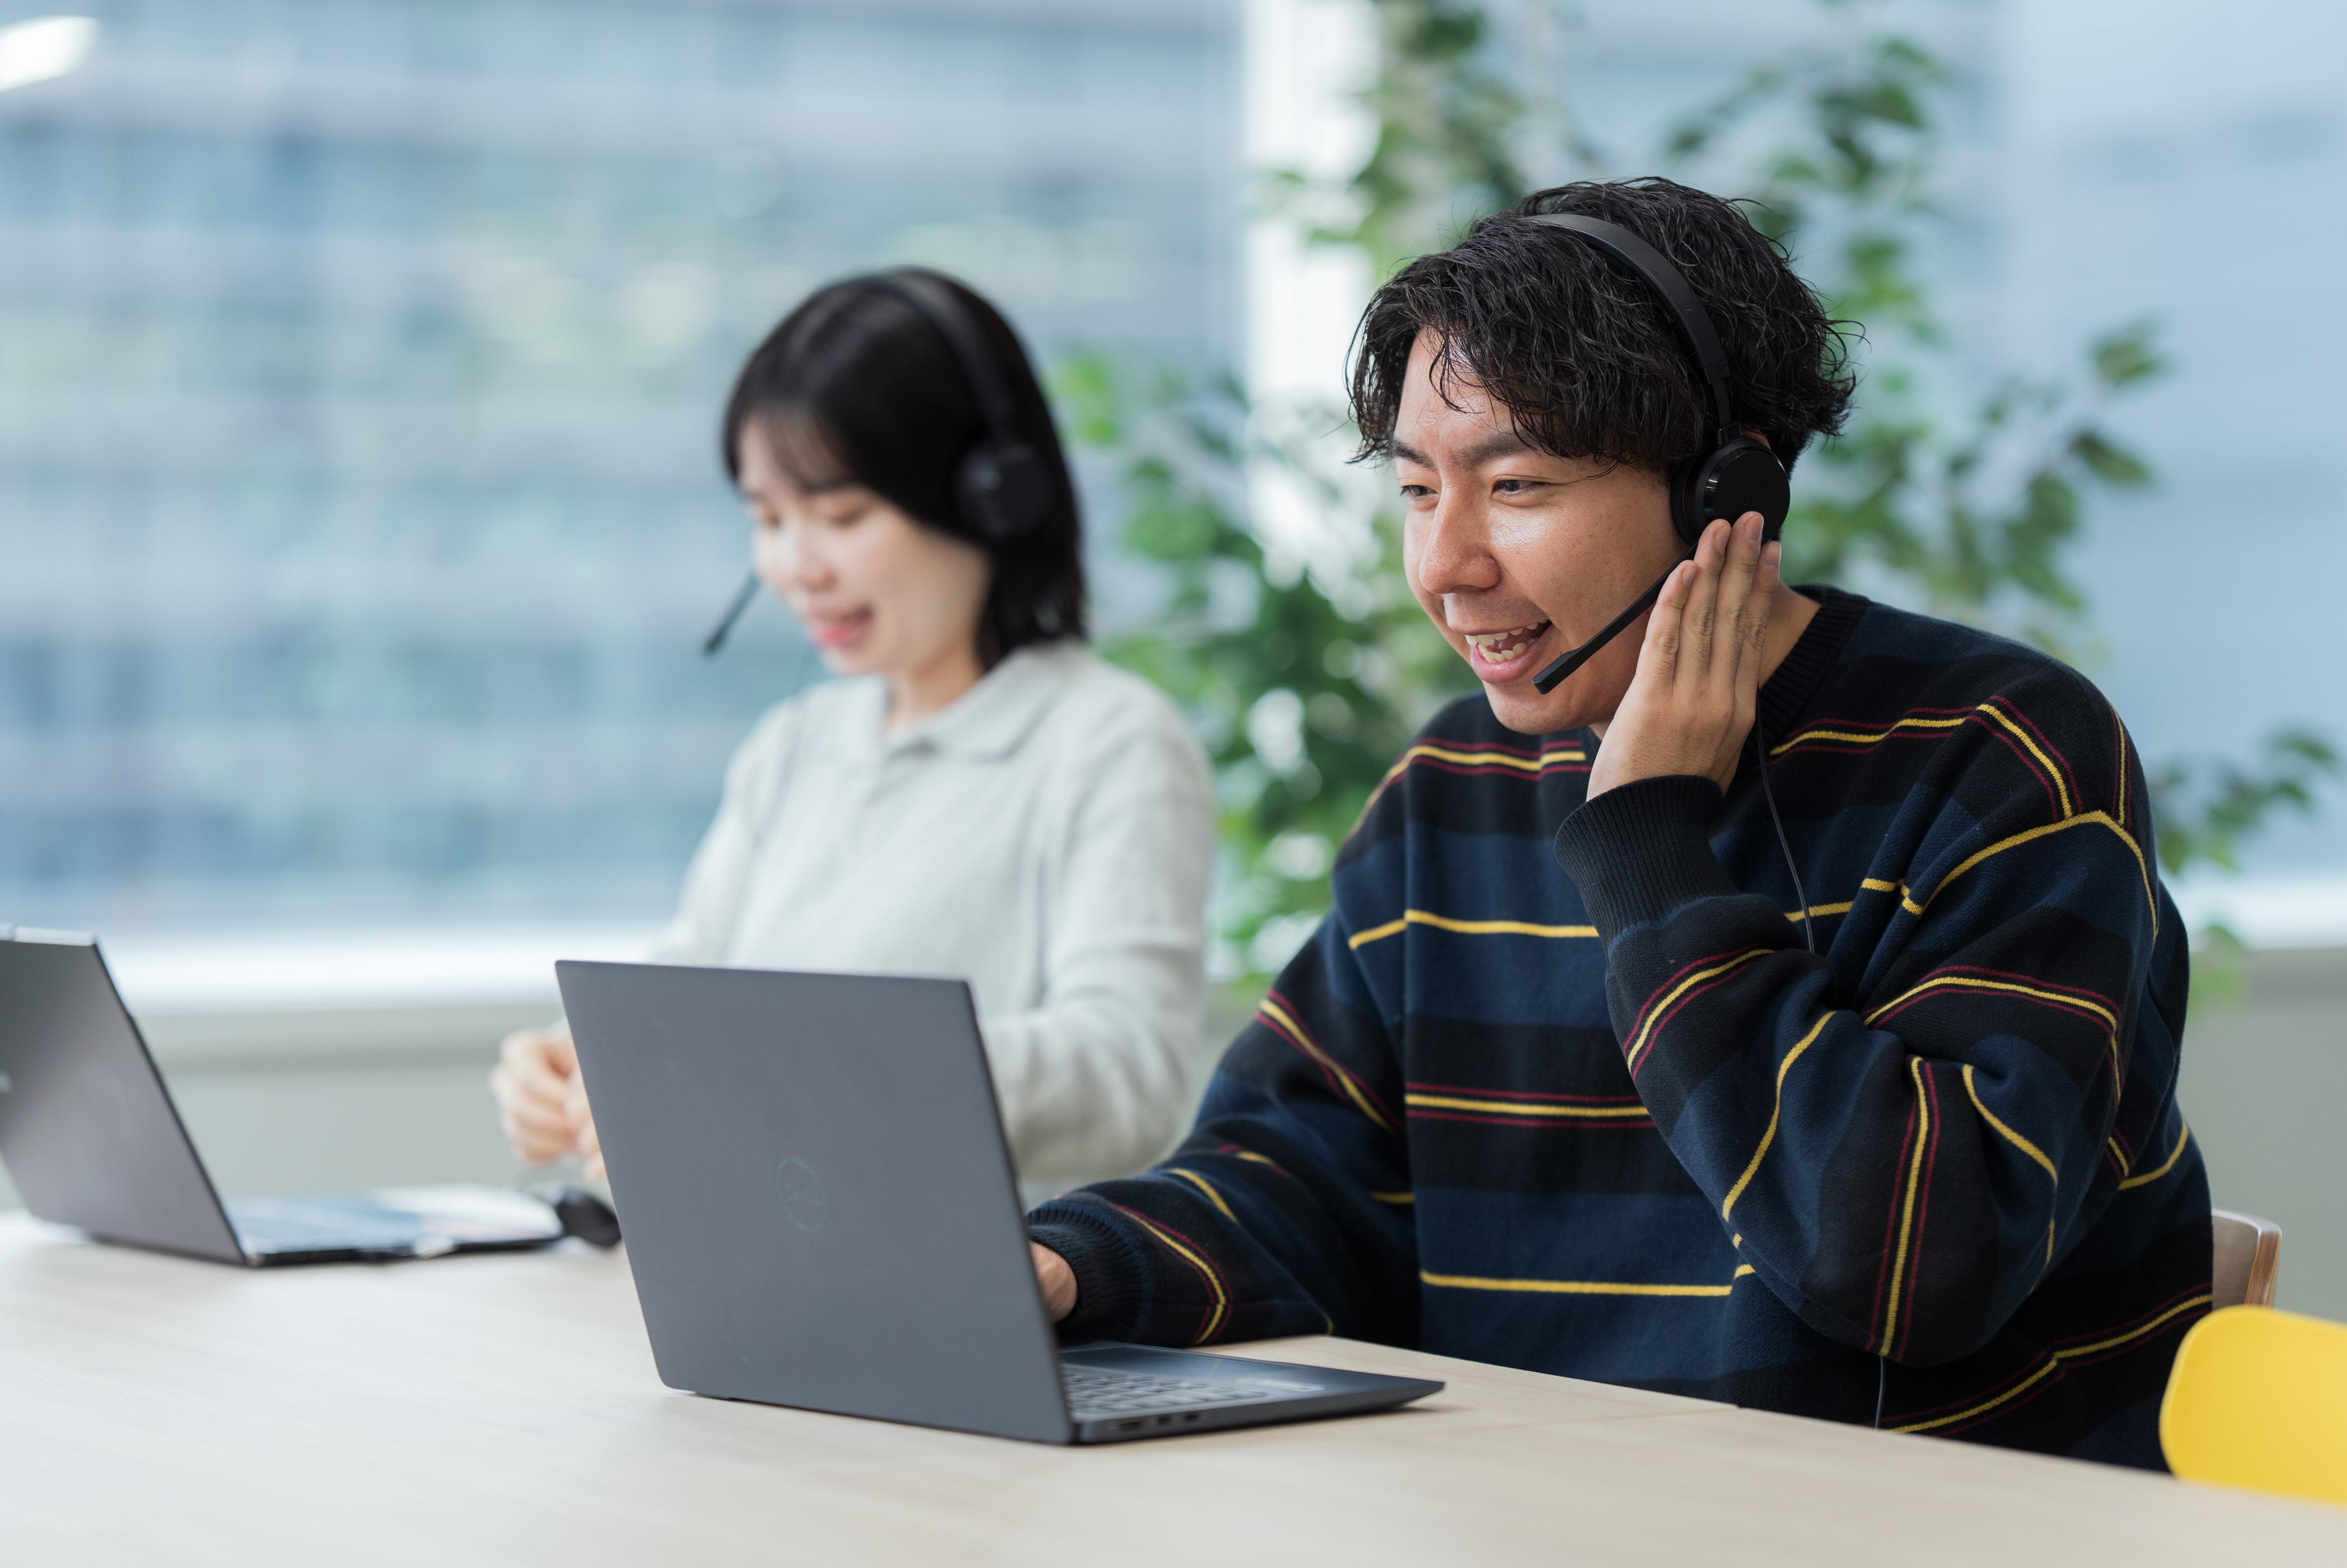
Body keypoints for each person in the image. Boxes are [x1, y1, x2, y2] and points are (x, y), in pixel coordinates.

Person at [1022, 179, 2212, 1468]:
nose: (1445, 565)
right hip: (1539, 1537)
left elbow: (1917, 1264)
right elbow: (1298, 1185)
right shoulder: (1452, 788)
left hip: (1911, 1560)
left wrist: (1648, 850)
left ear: (1727, 494)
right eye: (1420, 490)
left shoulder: (1996, 757)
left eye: (1517, 483)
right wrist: (1060, 1265)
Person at [489, 270, 1216, 1194]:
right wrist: (579, 1060)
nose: (796, 568)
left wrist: (808, 1071)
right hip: (748, 1264)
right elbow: (687, 995)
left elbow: (1129, 1077)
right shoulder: (794, 745)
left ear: (989, 495)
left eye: (841, 516)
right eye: (767, 519)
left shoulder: (1109, 743)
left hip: (966, 1301)